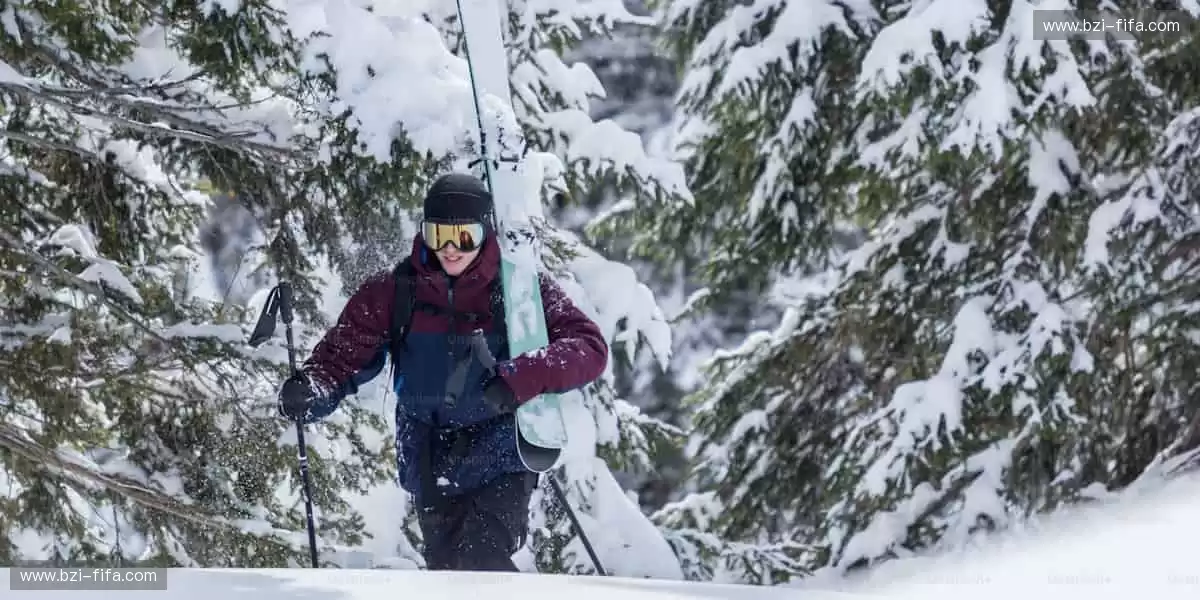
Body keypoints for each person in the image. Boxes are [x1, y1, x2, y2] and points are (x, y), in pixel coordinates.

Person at [275, 172, 608, 571]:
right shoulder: (395, 291)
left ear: (484, 232)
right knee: (446, 573)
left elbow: (589, 347)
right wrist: (313, 387)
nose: (450, 249)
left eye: (463, 237)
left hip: (500, 452)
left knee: (482, 562)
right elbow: (343, 355)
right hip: (430, 456)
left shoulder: (519, 289)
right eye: (438, 236)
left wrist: (518, 378)